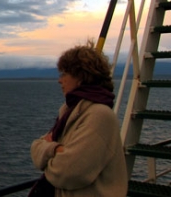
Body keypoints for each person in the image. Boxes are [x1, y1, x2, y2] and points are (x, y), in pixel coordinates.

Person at [29, 40, 127, 197]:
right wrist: (57, 150)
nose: (60, 80)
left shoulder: (99, 116)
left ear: (81, 77)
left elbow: (68, 172)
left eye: (65, 74)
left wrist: (49, 148)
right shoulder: (69, 111)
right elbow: (35, 147)